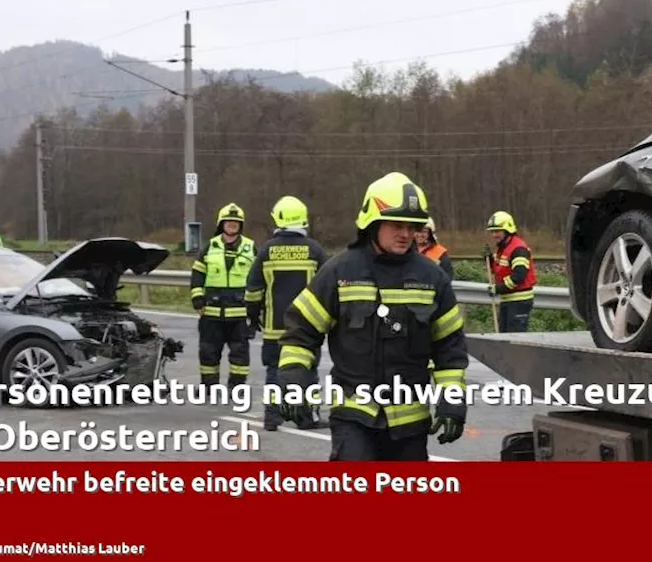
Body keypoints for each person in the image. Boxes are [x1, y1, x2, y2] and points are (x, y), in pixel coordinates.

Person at [276, 172, 468, 461]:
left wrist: (452, 402)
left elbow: (450, 350)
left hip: (410, 424)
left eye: (411, 226)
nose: (406, 234)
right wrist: (294, 379)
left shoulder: (433, 279)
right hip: (354, 417)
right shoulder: (339, 273)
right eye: (396, 225)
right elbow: (301, 331)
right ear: (372, 224)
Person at [245, 195, 329, 431]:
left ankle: (272, 417)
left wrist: (253, 316)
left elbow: (253, 290)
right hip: (307, 329)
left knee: (274, 371)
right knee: (308, 372)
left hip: (274, 327)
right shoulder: (315, 250)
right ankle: (307, 418)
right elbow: (329, 286)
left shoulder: (266, 251)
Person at [189, 202, 257, 388]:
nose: (232, 226)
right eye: (229, 222)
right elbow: (197, 276)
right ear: (221, 224)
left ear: (241, 226)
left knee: (240, 353)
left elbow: (258, 279)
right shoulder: (210, 247)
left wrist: (256, 308)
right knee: (208, 351)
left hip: (239, 313)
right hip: (211, 312)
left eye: (236, 223)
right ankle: (209, 386)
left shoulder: (251, 248)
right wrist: (197, 299)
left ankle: (236, 387)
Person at [485, 210, 536, 333]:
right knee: (504, 338)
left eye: (497, 231)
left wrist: (498, 288)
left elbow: (518, 277)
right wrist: (490, 259)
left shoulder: (518, 249)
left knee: (515, 340)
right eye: (492, 231)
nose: (494, 235)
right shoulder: (504, 248)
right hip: (508, 300)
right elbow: (500, 270)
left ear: (508, 230)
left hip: (519, 301)